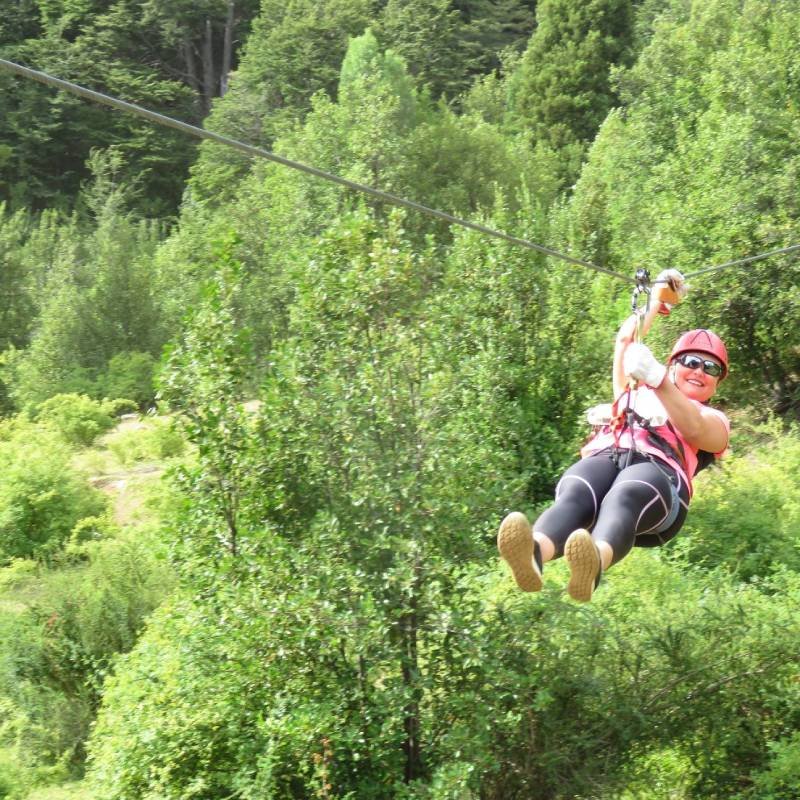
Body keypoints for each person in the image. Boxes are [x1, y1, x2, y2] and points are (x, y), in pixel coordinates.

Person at [497, 270, 730, 602]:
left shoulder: (713, 418)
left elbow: (694, 429)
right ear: (674, 364)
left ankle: (595, 560)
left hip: (660, 477)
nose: (699, 371)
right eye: (692, 362)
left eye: (711, 369)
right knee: (579, 490)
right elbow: (625, 342)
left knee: (627, 493)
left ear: (718, 382)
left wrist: (658, 380)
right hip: (610, 453)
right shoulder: (635, 388)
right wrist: (655, 302)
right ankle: (534, 551)